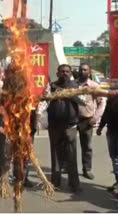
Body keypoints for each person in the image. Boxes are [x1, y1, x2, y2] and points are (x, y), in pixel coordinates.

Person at [38, 64, 84, 193]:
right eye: (62, 71)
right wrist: (39, 115)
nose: (64, 73)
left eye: (67, 71)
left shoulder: (76, 86)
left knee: (72, 155)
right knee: (55, 155)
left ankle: (74, 184)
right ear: (58, 73)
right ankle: (55, 182)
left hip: (70, 126)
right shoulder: (51, 86)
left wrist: (72, 94)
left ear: (70, 73)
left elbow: (83, 101)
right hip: (55, 126)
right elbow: (44, 102)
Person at [76, 63, 105, 180]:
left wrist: (95, 118)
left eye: (84, 70)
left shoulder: (94, 86)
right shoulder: (73, 85)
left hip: (87, 120)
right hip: (73, 120)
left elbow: (102, 102)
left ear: (89, 72)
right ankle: (66, 167)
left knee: (87, 147)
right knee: (68, 145)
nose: (82, 71)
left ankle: (86, 169)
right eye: (80, 70)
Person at [96, 97, 118, 198]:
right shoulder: (112, 98)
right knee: (114, 158)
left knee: (117, 159)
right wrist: (100, 127)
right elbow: (106, 114)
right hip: (111, 131)